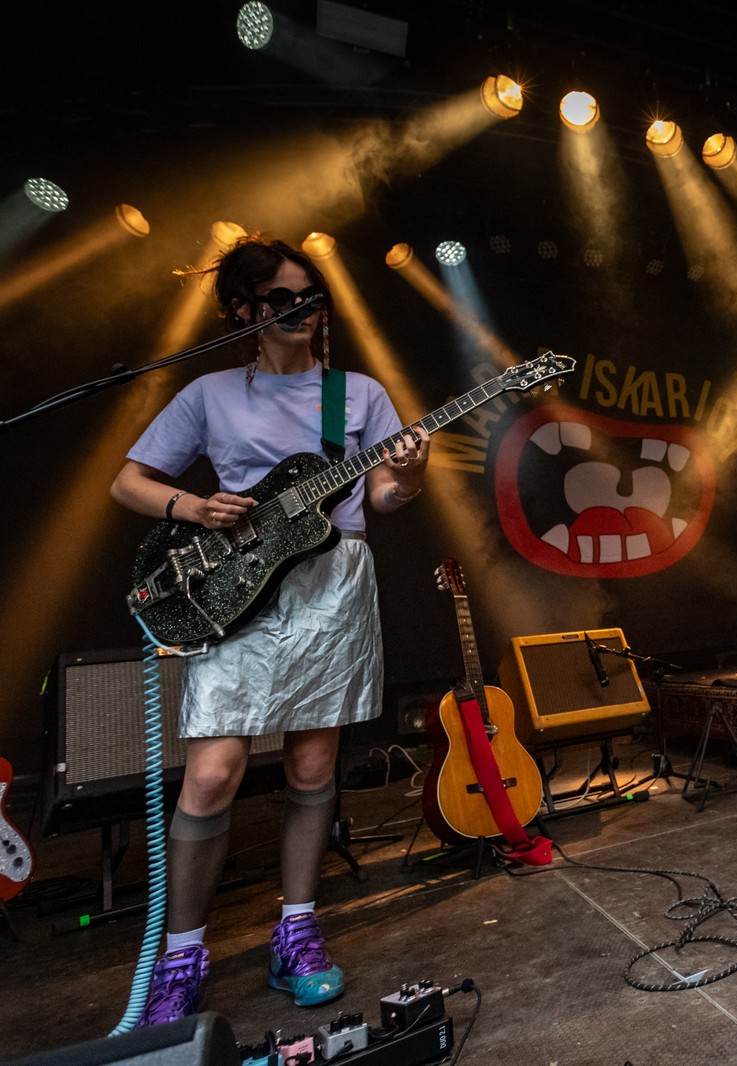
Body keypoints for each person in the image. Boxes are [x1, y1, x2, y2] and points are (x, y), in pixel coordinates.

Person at [110, 237, 430, 1027]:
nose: (300, 308)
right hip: (235, 584)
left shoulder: (356, 394)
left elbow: (384, 499)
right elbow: (128, 482)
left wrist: (412, 472)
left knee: (313, 764)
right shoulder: (210, 393)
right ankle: (181, 956)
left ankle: (298, 932)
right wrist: (192, 507)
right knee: (212, 774)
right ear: (244, 311)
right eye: (281, 297)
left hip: (331, 584)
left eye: (310, 295)